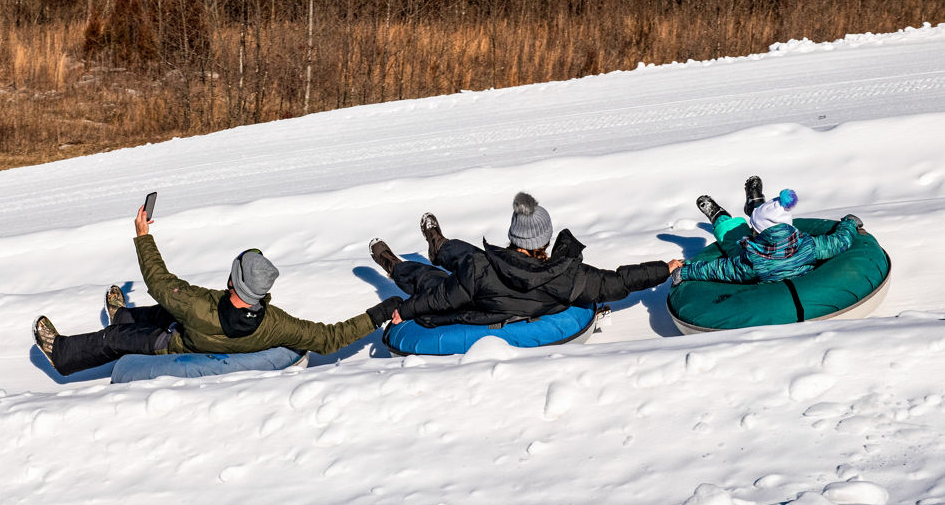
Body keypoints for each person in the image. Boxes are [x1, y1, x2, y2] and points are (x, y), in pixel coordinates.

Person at [32, 205, 401, 376]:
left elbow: (159, 282)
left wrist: (143, 236)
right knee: (166, 311)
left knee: (117, 337)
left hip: (180, 344)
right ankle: (126, 314)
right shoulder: (274, 324)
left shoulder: (199, 305)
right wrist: (380, 313)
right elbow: (329, 337)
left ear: (232, 282)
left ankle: (62, 354)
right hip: (199, 332)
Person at [367, 192, 681, 328]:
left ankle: (395, 263)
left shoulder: (481, 269)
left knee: (429, 279)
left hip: (481, 300)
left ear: (514, 236)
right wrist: (662, 270)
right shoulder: (569, 276)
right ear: (544, 241)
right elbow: (618, 281)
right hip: (493, 286)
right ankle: (439, 245)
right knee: (469, 256)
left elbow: (441, 298)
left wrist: (405, 310)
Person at [672, 175, 863, 285]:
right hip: (793, 270)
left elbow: (719, 269)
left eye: (755, 229)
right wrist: (849, 224)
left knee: (734, 240)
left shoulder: (752, 261)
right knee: (753, 230)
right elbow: (839, 242)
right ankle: (755, 205)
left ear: (759, 231)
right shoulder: (808, 244)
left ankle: (720, 217)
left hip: (768, 289)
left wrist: (687, 272)